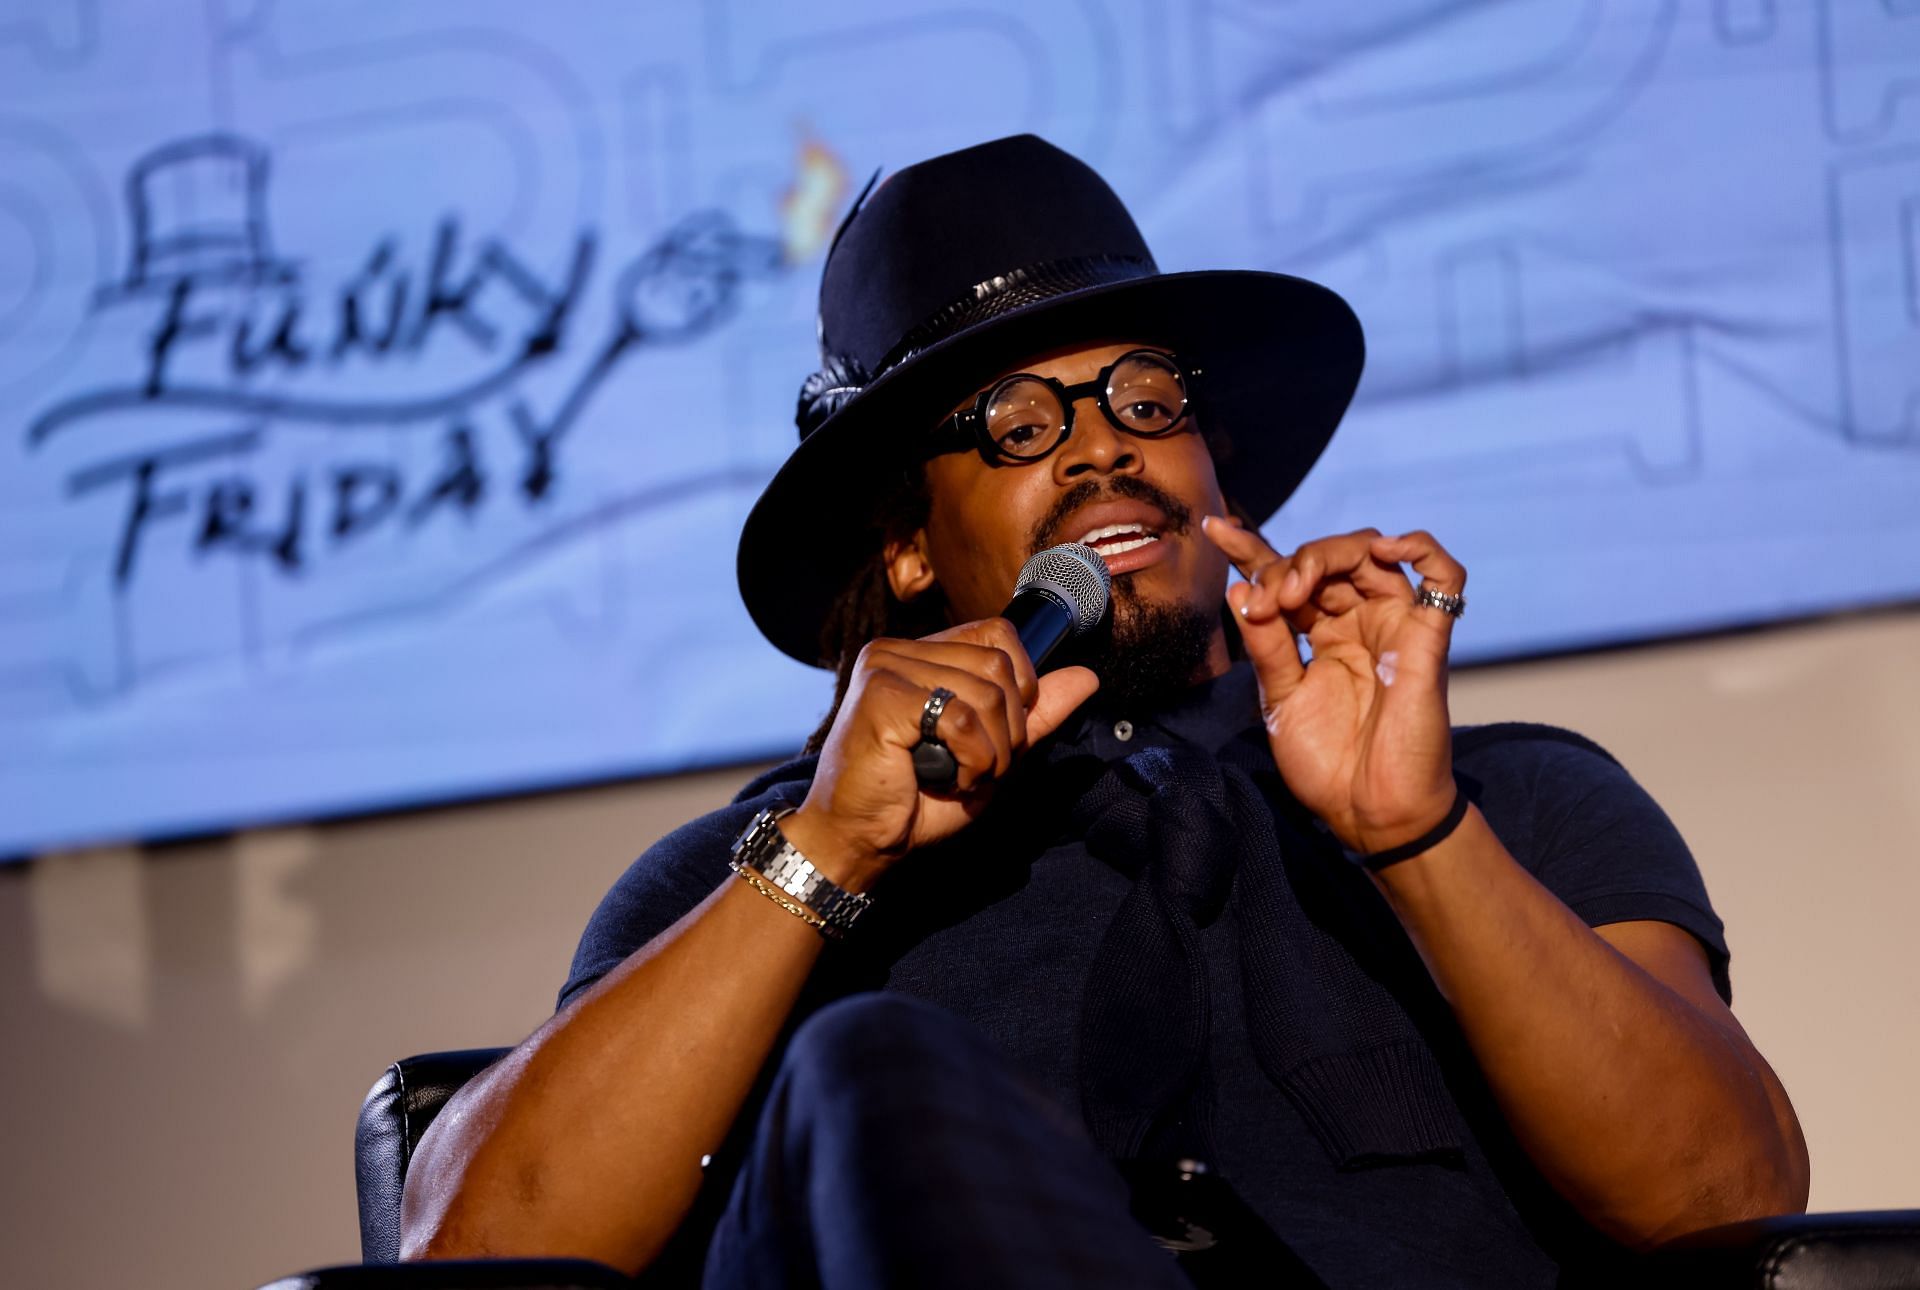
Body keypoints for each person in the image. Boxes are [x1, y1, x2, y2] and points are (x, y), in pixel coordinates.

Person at [398, 135, 1809, 1288]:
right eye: (1020, 422)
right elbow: (470, 1253)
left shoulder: (1511, 799)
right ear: (906, 548)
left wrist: (1417, 834)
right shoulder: (753, 873)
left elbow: (1729, 1194)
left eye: (1146, 399)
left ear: (1217, 474)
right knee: (866, 1066)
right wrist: (821, 858)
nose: (1101, 450)